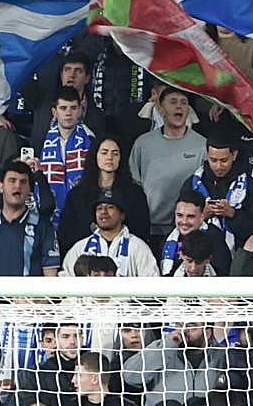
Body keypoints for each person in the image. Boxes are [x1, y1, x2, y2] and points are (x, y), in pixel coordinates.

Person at [128, 88, 206, 251]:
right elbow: (134, 184)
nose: (179, 106)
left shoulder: (202, 144)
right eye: (173, 102)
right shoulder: (143, 144)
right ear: (161, 109)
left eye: (184, 102)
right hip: (150, 228)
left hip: (188, 229)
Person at [61, 190, 159, 277]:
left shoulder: (138, 247)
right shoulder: (80, 248)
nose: (103, 211)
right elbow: (64, 281)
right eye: (99, 208)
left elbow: (152, 282)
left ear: (122, 215)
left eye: (110, 207)